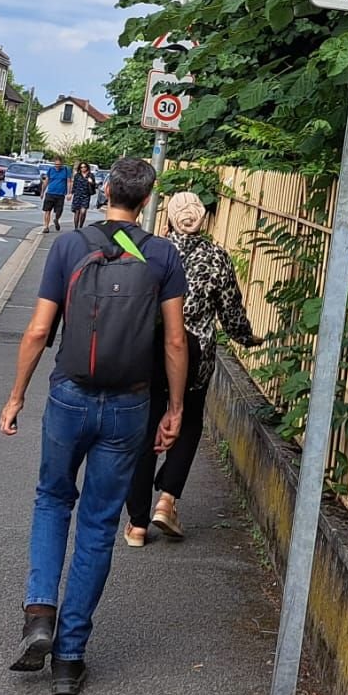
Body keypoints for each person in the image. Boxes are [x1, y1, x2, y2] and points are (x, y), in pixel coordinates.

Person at [0, 156, 188, 695]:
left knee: (53, 499)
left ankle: (40, 613)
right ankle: (69, 657)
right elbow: (175, 341)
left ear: (106, 190)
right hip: (129, 405)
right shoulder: (162, 254)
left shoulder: (68, 246)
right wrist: (173, 408)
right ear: (148, 200)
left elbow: (38, 331)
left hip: (69, 396)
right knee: (100, 524)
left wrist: (15, 396)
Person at [124, 191, 258, 545]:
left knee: (145, 427)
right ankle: (167, 500)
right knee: (190, 420)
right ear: (204, 220)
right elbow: (231, 312)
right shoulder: (217, 258)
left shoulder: (150, 251)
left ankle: (137, 524)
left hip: (149, 350)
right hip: (196, 353)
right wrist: (247, 339)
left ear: (168, 219)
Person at [41, 159, 72, 232]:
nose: (57, 166)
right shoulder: (51, 170)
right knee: (47, 210)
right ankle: (46, 226)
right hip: (50, 193)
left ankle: (56, 219)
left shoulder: (66, 170)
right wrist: (42, 192)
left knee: (59, 211)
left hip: (60, 194)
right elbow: (46, 181)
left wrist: (69, 193)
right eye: (56, 165)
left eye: (59, 165)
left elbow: (69, 182)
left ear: (62, 164)